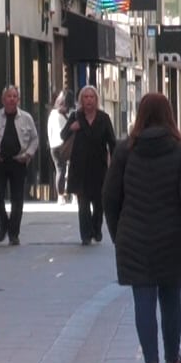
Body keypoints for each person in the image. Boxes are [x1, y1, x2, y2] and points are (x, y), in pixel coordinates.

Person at [104, 93, 181, 363]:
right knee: (171, 299)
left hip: (133, 236)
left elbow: (110, 197)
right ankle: (172, 360)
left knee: (143, 299)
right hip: (172, 237)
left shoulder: (124, 150)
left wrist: (118, 233)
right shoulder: (180, 149)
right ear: (169, 114)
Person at [0, 86, 39, 246]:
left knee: (17, 199)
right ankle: (3, 224)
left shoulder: (26, 118)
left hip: (18, 162)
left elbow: (35, 138)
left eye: (14, 96)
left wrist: (29, 154)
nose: (12, 99)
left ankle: (14, 233)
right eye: (8, 96)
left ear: (18, 99)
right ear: (3, 99)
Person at [61, 86, 117, 246]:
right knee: (83, 202)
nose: (89, 100)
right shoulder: (75, 117)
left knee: (99, 202)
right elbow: (63, 135)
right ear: (81, 100)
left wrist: (114, 163)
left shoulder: (104, 118)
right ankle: (85, 234)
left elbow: (112, 142)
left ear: (96, 99)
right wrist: (72, 128)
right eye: (85, 97)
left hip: (99, 167)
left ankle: (96, 228)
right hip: (79, 167)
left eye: (92, 97)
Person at [47, 90, 73, 204]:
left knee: (60, 169)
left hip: (54, 145)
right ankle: (74, 195)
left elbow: (50, 130)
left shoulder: (52, 114)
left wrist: (51, 141)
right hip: (66, 144)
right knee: (72, 168)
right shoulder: (70, 113)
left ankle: (60, 196)